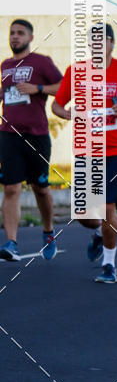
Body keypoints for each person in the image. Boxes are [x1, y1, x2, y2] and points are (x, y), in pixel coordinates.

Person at [52, 23, 117, 283]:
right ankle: (99, 234)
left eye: (103, 41)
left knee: (108, 204)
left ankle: (109, 265)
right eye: (93, 41)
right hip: (86, 149)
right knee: (86, 215)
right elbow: (56, 104)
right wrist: (67, 113)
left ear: (112, 43)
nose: (98, 45)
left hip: (116, 149)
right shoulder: (76, 71)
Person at [0, 19, 63, 262]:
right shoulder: (5, 65)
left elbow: (63, 87)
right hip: (8, 134)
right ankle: (11, 243)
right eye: (12, 33)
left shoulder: (41, 62)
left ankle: (48, 232)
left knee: (40, 188)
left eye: (20, 33)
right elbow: (6, 94)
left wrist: (37, 88)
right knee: (11, 188)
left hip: (36, 136)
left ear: (30, 37)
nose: (15, 37)